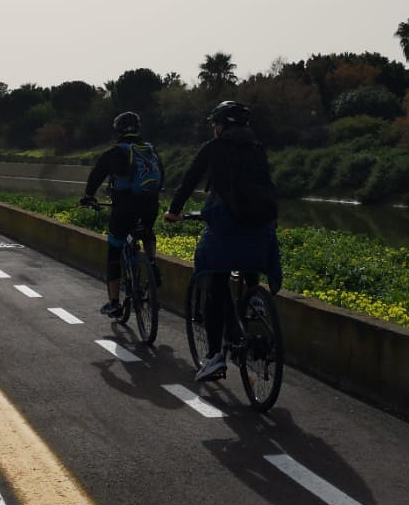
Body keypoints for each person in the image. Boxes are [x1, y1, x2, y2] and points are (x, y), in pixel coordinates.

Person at [164, 100, 282, 381]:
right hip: (263, 233)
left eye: (215, 124)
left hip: (227, 231)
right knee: (249, 253)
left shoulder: (214, 148)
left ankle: (214, 356)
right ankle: (254, 297)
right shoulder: (257, 148)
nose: (214, 128)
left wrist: (174, 211)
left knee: (213, 279)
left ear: (222, 126)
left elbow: (190, 180)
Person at [81, 111, 165, 320]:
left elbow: (96, 176)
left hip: (125, 207)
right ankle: (152, 263)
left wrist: (89, 197)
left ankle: (114, 303)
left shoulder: (115, 152)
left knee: (115, 248)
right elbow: (161, 176)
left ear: (117, 131)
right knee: (146, 230)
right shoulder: (150, 150)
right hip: (150, 204)